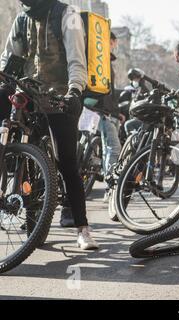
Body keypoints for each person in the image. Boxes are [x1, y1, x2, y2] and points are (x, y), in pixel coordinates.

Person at [0, 0, 98, 249]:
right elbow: (9, 56)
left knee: (67, 162)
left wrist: (75, 91)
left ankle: (82, 228)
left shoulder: (67, 14)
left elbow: (77, 58)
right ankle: (34, 224)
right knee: (28, 154)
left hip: (60, 97)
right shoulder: (22, 18)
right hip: (28, 92)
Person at [95, 32, 123, 201]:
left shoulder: (104, 60)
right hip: (102, 111)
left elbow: (110, 91)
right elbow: (106, 91)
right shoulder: (102, 60)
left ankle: (109, 186)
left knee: (108, 149)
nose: (115, 45)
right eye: (114, 42)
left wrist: (116, 112)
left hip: (106, 111)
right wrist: (110, 111)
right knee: (113, 148)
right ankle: (110, 188)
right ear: (110, 41)